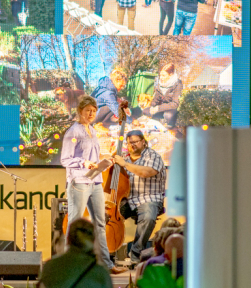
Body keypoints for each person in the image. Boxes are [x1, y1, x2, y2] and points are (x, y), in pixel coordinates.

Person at [59, 96, 114, 269]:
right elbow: (65, 159)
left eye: (94, 111)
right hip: (79, 181)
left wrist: (104, 160)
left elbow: (93, 157)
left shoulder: (93, 130)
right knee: (75, 222)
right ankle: (70, 264)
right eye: (88, 110)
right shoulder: (73, 132)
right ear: (80, 111)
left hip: (95, 180)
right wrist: (83, 163)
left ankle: (106, 264)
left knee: (100, 223)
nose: (91, 114)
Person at [112, 130, 167, 265]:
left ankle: (135, 254)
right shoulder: (123, 158)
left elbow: (146, 172)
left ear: (143, 141)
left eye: (135, 142)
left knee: (148, 217)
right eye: (129, 143)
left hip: (149, 198)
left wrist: (125, 165)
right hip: (127, 200)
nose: (132, 145)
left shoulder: (153, 156)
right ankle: (109, 253)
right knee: (105, 216)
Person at [145, 63, 182, 128]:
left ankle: (170, 127)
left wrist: (158, 108)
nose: (161, 78)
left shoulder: (178, 84)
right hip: (161, 107)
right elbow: (155, 100)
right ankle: (156, 125)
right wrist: (151, 107)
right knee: (145, 111)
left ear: (171, 74)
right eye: (160, 75)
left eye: (163, 75)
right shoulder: (160, 84)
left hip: (171, 108)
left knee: (168, 115)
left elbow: (175, 104)